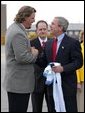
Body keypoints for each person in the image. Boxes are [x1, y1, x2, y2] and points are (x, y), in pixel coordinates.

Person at [3, 6, 39, 112]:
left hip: (17, 83)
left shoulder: (15, 28)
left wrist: (28, 50)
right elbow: (22, 58)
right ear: (25, 17)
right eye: (32, 18)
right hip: (19, 84)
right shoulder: (18, 32)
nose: (34, 20)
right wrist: (35, 54)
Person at [44, 17, 83, 112]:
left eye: (53, 24)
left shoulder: (73, 43)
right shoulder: (48, 43)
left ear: (60, 27)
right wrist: (32, 55)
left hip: (67, 86)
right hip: (51, 86)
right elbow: (43, 60)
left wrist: (63, 68)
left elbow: (78, 62)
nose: (50, 25)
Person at [31, 20, 49, 112]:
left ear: (47, 30)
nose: (42, 31)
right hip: (36, 82)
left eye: (44, 29)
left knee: (52, 107)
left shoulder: (53, 42)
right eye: (40, 29)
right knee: (36, 108)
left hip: (51, 82)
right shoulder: (30, 43)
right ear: (36, 31)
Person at [76, 30, 84, 112]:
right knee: (81, 103)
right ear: (82, 37)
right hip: (82, 81)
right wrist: (78, 82)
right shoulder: (79, 48)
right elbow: (77, 66)